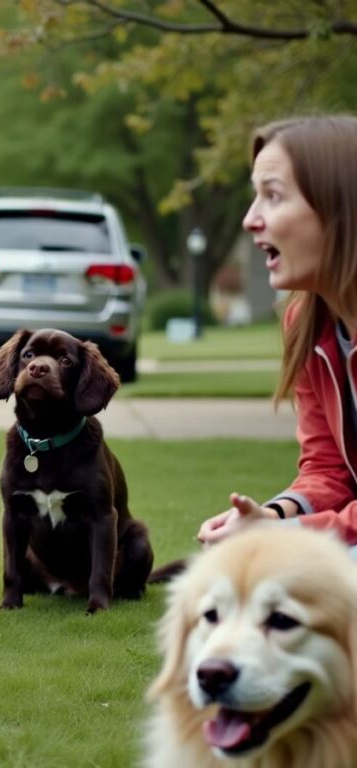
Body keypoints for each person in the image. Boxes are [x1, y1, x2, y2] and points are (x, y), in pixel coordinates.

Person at [197, 115, 357, 549]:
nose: (251, 219)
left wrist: (283, 535)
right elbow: (327, 469)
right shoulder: (304, 321)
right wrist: (269, 515)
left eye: (273, 195)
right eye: (255, 197)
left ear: (339, 206)